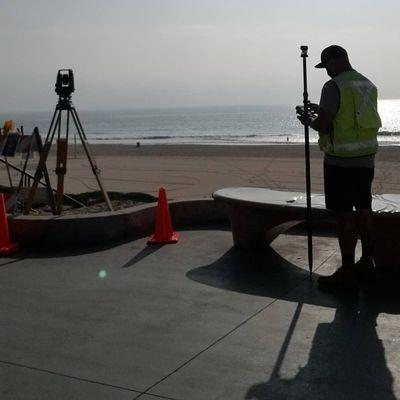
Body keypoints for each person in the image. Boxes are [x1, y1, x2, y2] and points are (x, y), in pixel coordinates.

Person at [298, 45, 382, 290]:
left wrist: (309, 120)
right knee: (364, 209)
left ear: (333, 63)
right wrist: (322, 110)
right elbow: (350, 116)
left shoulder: (333, 85)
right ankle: (367, 263)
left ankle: (347, 271)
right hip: (365, 159)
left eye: (326, 67)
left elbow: (324, 125)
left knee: (344, 215)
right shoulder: (367, 84)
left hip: (340, 162)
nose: (326, 72)